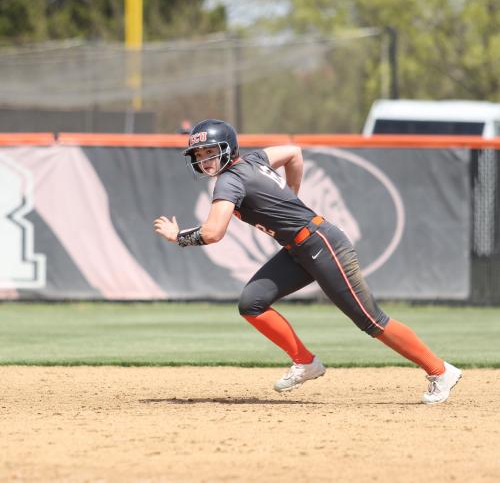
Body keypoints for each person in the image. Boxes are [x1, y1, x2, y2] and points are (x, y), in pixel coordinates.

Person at [154, 119, 462, 404]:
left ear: (228, 149)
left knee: (370, 320)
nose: (205, 159)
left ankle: (440, 371)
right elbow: (292, 153)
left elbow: (213, 233)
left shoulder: (229, 181)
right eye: (199, 154)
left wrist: (178, 236)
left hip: (321, 243)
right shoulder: (254, 161)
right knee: (252, 302)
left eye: (211, 151)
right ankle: (305, 361)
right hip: (299, 248)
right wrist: (292, 192)